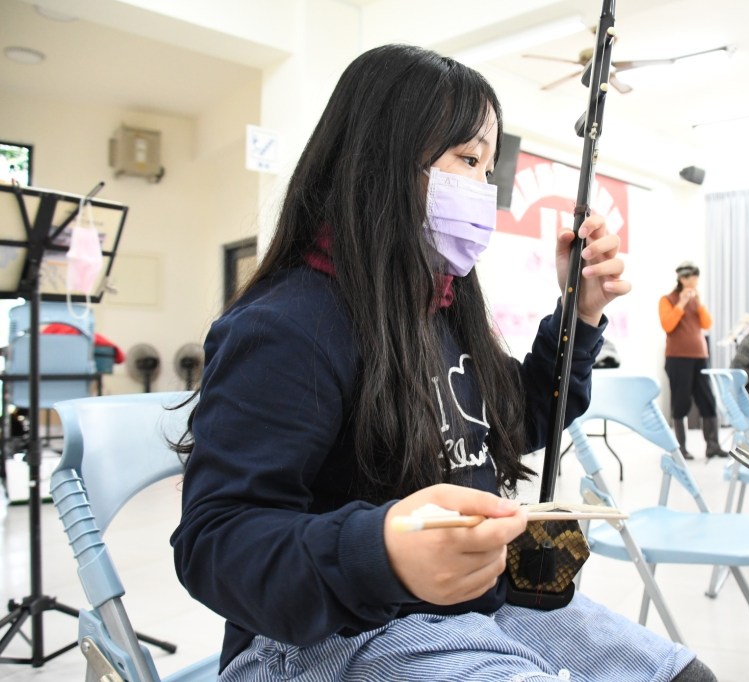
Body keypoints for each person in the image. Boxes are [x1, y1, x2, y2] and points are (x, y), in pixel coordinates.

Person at [169, 45, 715, 682]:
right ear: (382, 161)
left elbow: (520, 420)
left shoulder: (442, 307)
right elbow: (216, 541)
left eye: (488, 168)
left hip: (471, 603)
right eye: (467, 160)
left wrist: (581, 311)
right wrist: (380, 551)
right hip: (330, 633)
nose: (484, 190)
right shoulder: (287, 327)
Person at [658, 261, 726, 459]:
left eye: (695, 276)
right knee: (680, 403)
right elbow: (667, 325)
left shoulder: (697, 300)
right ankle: (680, 448)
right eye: (688, 277)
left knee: (708, 400)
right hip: (677, 358)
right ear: (681, 278)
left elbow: (707, 323)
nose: (692, 280)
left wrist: (699, 303)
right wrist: (681, 304)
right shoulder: (667, 300)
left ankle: (713, 446)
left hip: (700, 357)